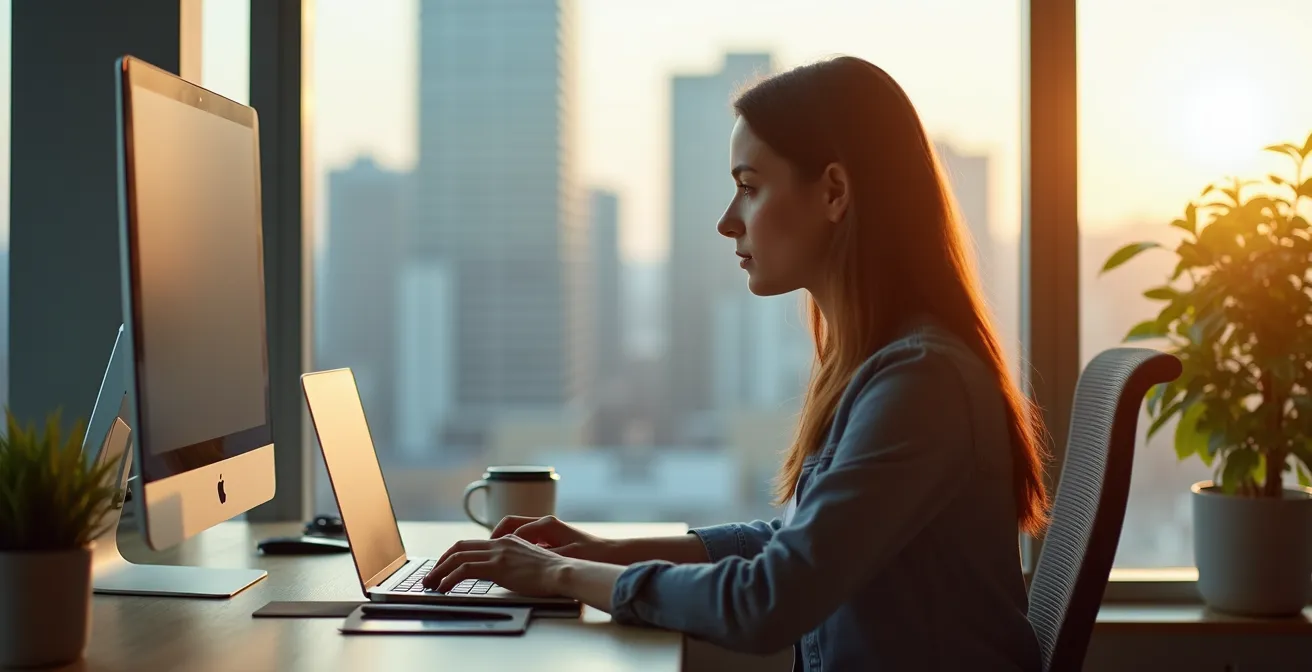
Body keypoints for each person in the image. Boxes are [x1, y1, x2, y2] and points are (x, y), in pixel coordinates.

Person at [422, 55, 1049, 671]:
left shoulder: (920, 384)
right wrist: (604, 551)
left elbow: (767, 602)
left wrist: (561, 574)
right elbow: (798, 548)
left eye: (749, 188)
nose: (727, 223)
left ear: (834, 191)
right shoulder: (882, 365)